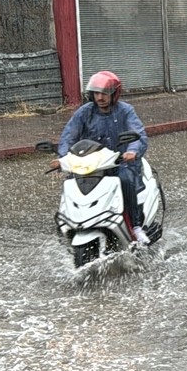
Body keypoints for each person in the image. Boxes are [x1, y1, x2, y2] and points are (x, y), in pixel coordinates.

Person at [50, 70, 151, 245]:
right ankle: (68, 221)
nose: (100, 97)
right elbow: (68, 136)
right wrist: (63, 158)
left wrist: (132, 151)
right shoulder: (85, 112)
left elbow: (138, 134)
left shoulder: (125, 111)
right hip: (92, 164)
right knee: (72, 181)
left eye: (104, 93)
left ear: (114, 94)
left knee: (125, 179)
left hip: (120, 163)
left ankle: (135, 227)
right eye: (96, 93)